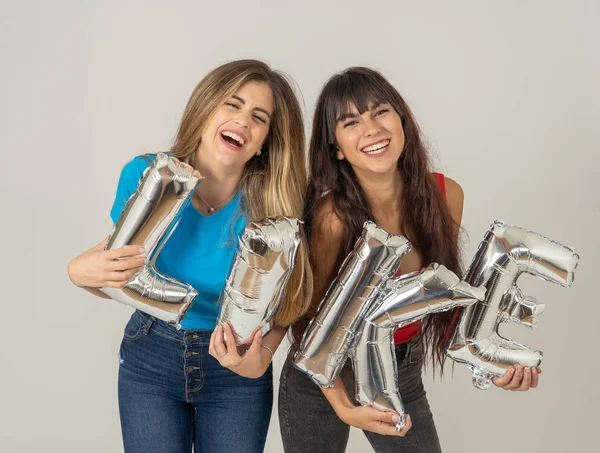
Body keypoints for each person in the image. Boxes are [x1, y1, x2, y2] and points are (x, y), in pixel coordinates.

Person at [278, 67, 540, 453]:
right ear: (336, 147)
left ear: (402, 119)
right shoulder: (331, 218)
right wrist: (345, 407)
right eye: (351, 122)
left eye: (380, 112)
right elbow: (306, 323)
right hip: (324, 379)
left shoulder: (445, 195)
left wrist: (495, 365)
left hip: (402, 367)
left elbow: (446, 299)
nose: (371, 129)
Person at [67, 59, 312, 453]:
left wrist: (263, 356)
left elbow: (294, 301)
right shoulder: (149, 178)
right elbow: (119, 275)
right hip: (151, 356)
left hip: (236, 373)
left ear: (265, 140)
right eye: (231, 105)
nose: (242, 121)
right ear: (206, 107)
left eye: (258, 117)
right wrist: (77, 272)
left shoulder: (277, 205)